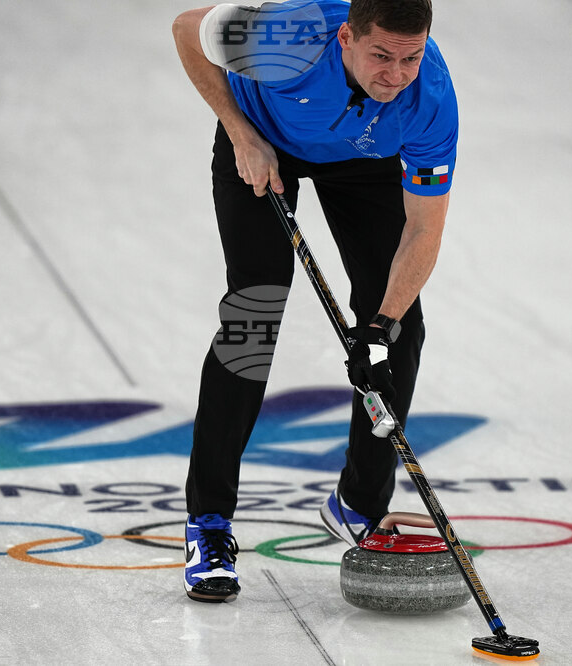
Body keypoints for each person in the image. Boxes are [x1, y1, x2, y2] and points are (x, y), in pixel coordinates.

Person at [171, 0, 458, 603]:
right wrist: (239, 132)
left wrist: (378, 326)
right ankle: (209, 521)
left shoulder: (428, 95)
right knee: (254, 312)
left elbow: (423, 230)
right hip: (263, 143)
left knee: (400, 329)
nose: (396, 74)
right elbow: (185, 31)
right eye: (380, 55)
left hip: (363, 157)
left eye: (410, 57)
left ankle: (359, 503)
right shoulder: (292, 35)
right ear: (346, 37)